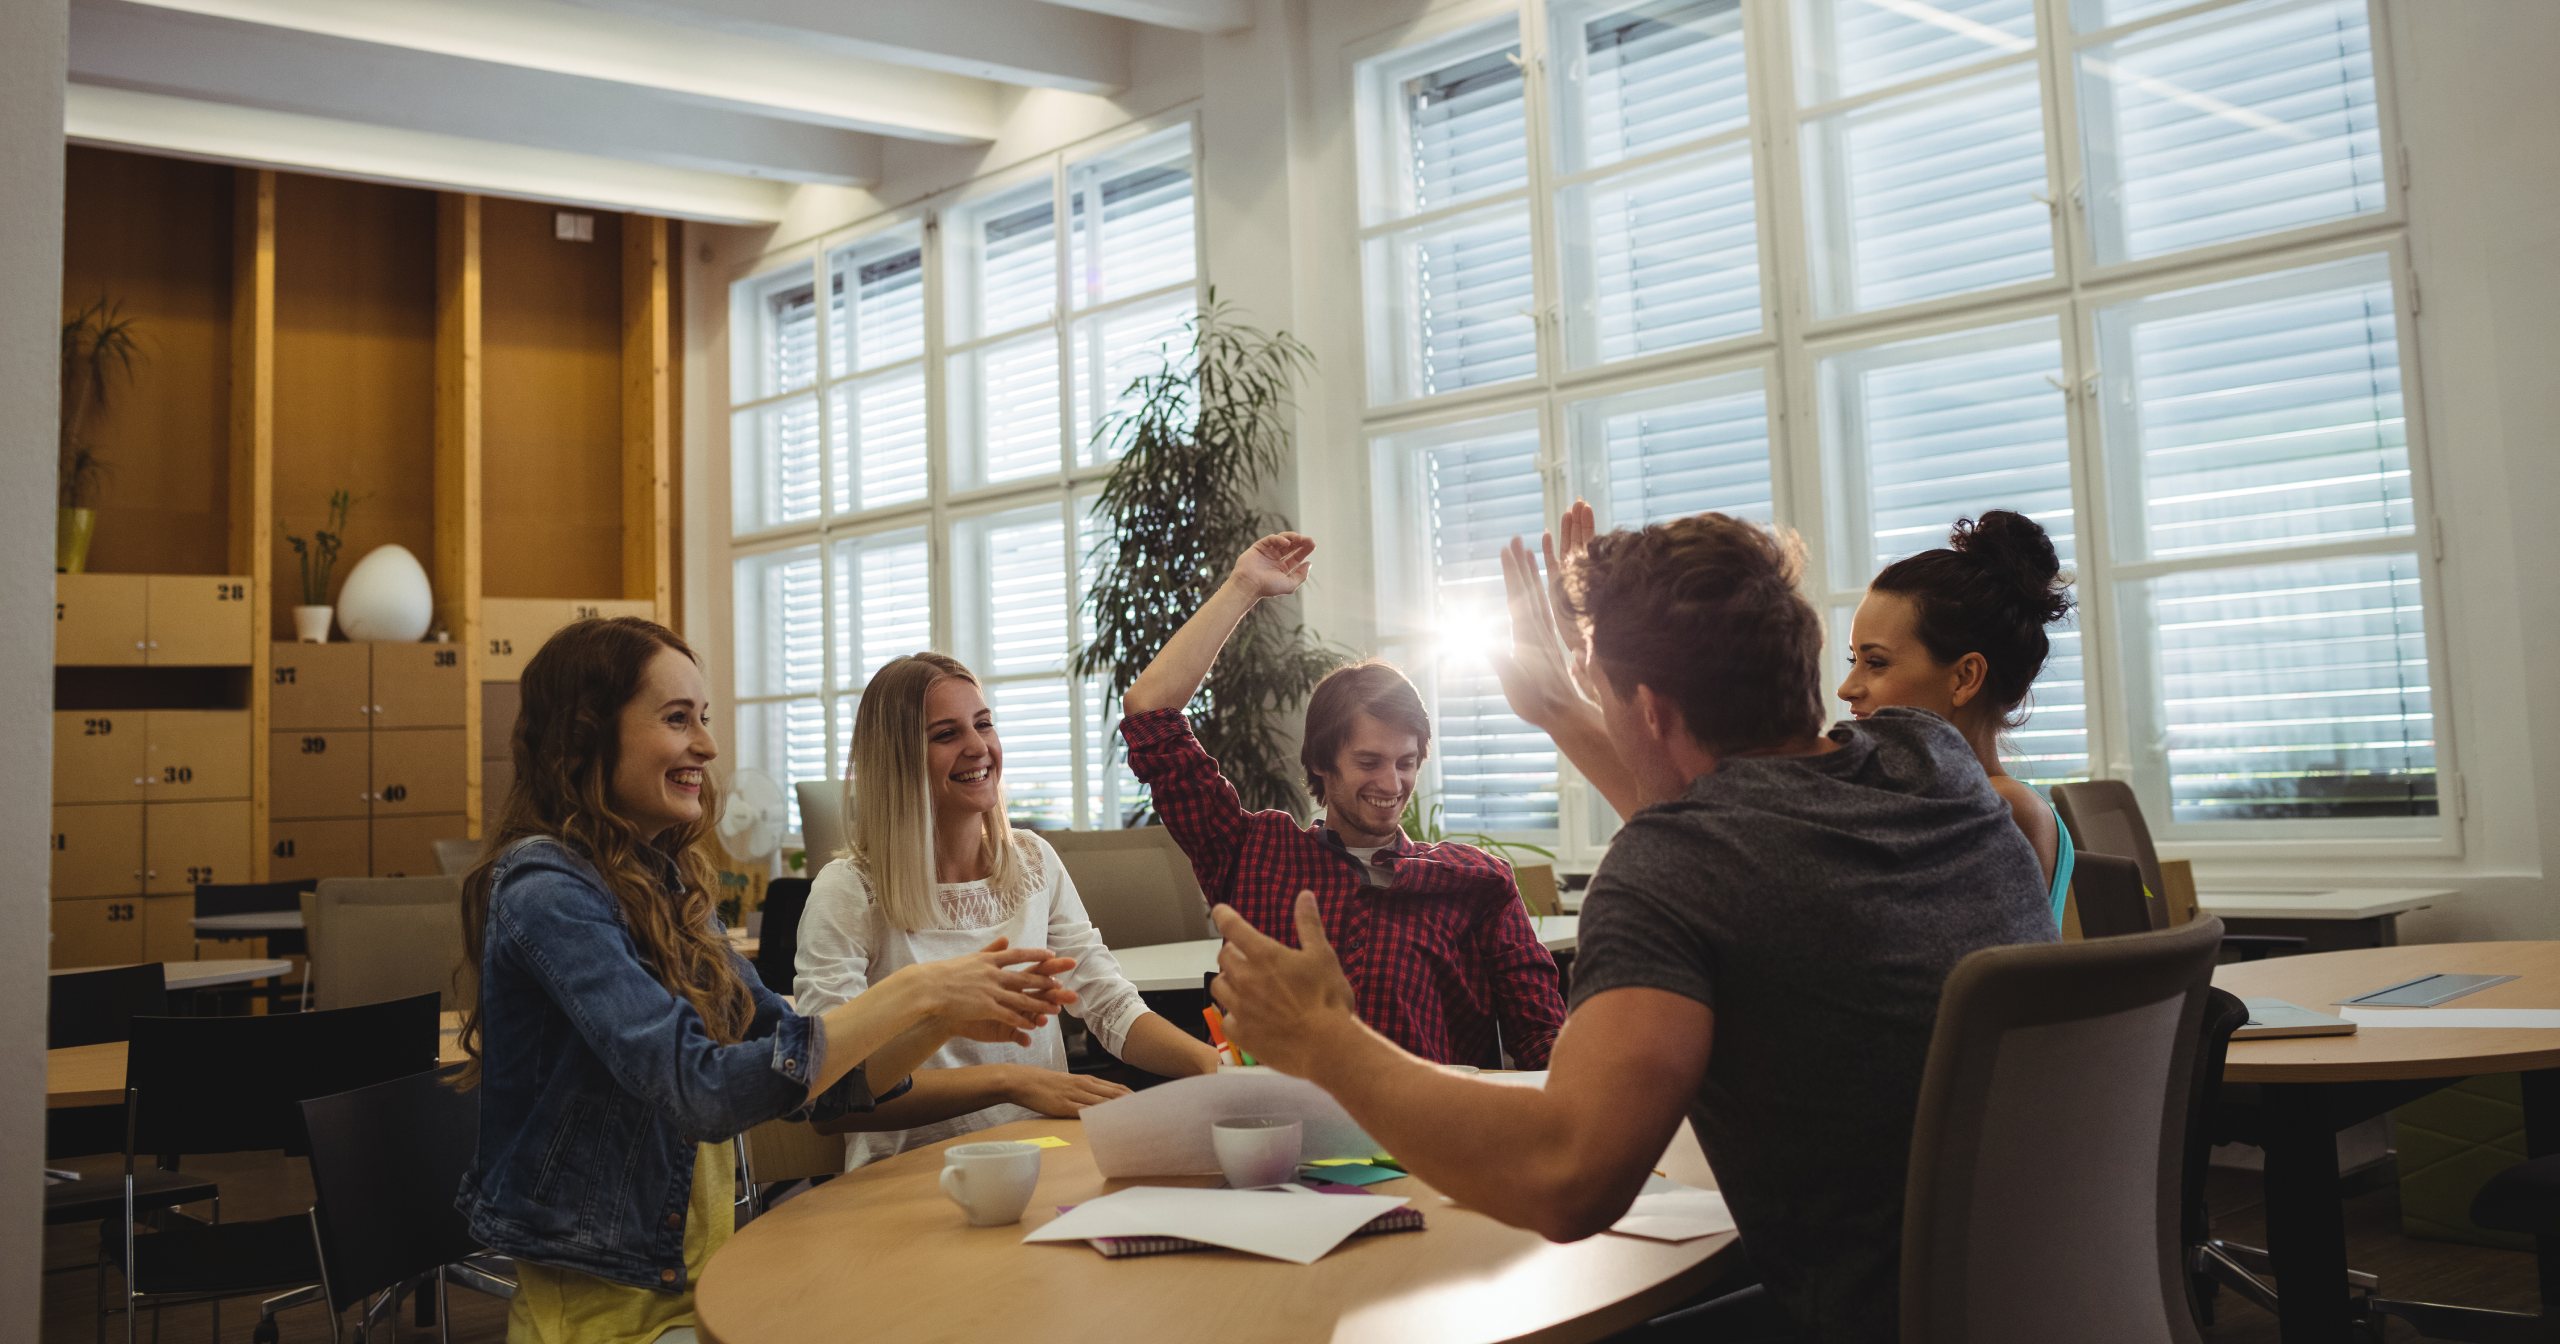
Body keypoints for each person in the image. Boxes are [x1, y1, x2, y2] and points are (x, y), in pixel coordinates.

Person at [1209, 514, 2055, 1344]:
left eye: (1610, 698)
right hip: (2035, 1293)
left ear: (1649, 710)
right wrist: (1566, 701)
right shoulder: (1936, 759)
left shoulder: (1666, 867)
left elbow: (1566, 1178)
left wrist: (1326, 1040)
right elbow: (1752, 820)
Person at [454, 617, 1079, 1344]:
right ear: (591, 733)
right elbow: (702, 1089)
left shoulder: (665, 886)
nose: (708, 747)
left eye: (705, 719)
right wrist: (919, 993)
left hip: (703, 1281)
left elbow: (817, 1078)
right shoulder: (547, 888)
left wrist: (939, 1018)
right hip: (610, 1315)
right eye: (678, 719)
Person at [1120, 532, 1566, 1069]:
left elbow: (1544, 1041)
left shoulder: (1477, 881)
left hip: (1423, 1136)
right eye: (1368, 762)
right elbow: (1149, 712)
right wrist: (1244, 586)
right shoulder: (1252, 853)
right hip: (1287, 1130)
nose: (1392, 783)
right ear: (1320, 763)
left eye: (1406, 762)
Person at [795, 652, 1223, 1169]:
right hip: (911, 1178)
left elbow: (1108, 1004)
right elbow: (831, 1101)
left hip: (1043, 1160)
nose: (979, 747)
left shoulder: (1033, 861)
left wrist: (1212, 1066)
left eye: (983, 724)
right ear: (897, 757)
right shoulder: (848, 892)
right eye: (946, 734)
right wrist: (1013, 1083)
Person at [1837, 510, 2078, 923]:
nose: (1847, 688)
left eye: (1875, 663)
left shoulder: (2000, 806)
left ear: (1965, 677)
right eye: (1853, 659)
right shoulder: (1935, 802)